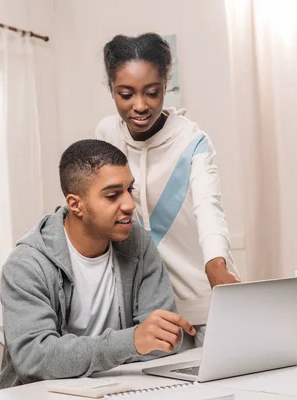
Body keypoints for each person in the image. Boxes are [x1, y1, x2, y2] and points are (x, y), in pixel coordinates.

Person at [0, 139, 195, 388]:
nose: (129, 205)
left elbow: (161, 342)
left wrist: (146, 339)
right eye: (112, 195)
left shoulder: (139, 244)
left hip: (119, 390)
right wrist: (132, 341)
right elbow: (34, 360)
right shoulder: (27, 264)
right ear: (75, 204)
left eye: (129, 190)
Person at [95, 33, 240, 347]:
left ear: (165, 86)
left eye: (152, 92)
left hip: (203, 302)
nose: (140, 106)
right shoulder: (106, 134)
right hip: (145, 314)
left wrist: (216, 264)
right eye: (126, 94)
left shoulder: (192, 141)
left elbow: (208, 207)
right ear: (111, 90)